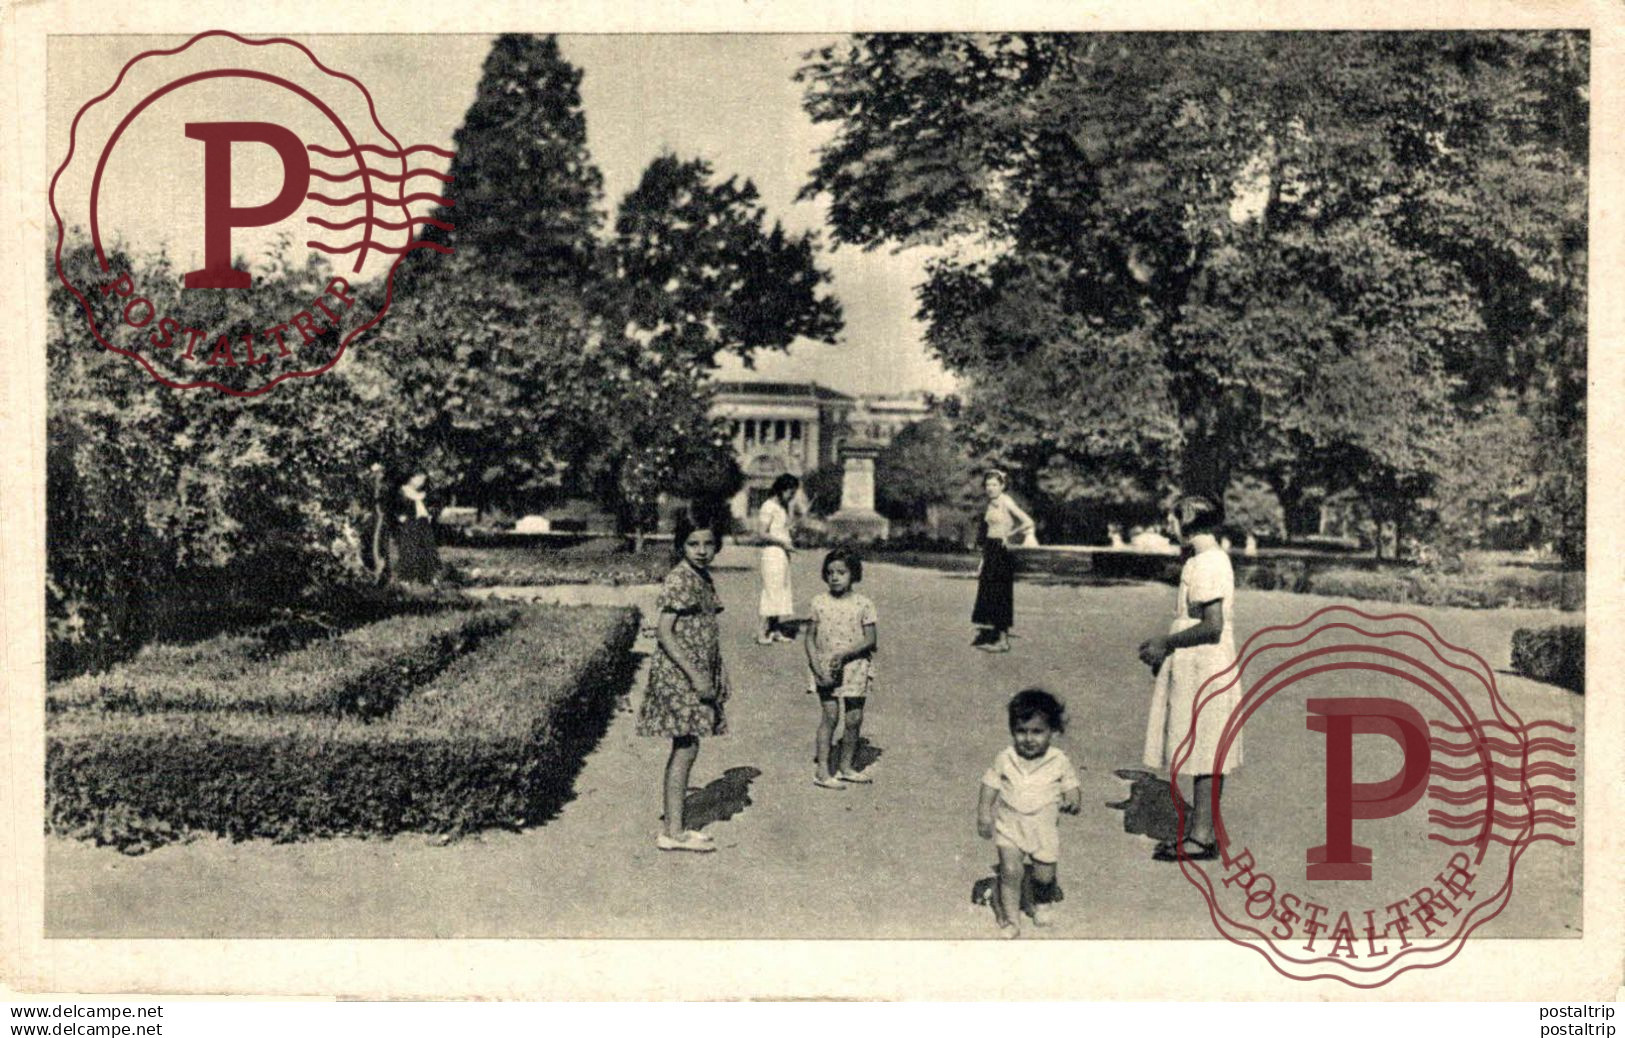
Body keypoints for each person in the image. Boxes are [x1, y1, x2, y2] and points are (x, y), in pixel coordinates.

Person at [1138, 499, 1239, 863]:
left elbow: (1211, 627)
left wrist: (1167, 642)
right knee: (1204, 746)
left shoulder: (1208, 562)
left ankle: (1202, 836)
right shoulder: (1202, 559)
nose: (1168, 522)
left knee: (1207, 747)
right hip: (1196, 661)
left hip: (1206, 663)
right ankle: (1202, 831)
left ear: (1190, 519)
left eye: (1173, 516)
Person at [638, 510, 731, 853]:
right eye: (693, 544)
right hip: (680, 674)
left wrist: (717, 672)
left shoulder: (702, 578)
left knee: (688, 745)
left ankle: (676, 826)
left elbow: (708, 632)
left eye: (709, 543)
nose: (702, 550)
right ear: (681, 545)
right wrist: (696, 676)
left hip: (696, 671)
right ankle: (672, 831)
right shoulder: (680, 579)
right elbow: (664, 631)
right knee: (685, 746)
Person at [977, 689, 1082, 938]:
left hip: (1043, 828)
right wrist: (984, 812)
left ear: (1052, 731)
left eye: (1037, 732)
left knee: (1044, 874)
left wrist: (1073, 798)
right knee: (1011, 872)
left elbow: (1071, 784)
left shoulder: (1058, 760)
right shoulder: (1006, 757)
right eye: (1021, 731)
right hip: (1010, 825)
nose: (1028, 738)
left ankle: (1042, 903)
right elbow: (990, 784)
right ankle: (1012, 920)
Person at [804, 547, 878, 789]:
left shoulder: (864, 604)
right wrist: (815, 666)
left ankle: (846, 766)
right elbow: (810, 638)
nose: (835, 577)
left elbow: (870, 639)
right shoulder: (818, 602)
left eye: (841, 572)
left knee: (854, 718)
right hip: (826, 668)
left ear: (853, 574)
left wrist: (847, 654)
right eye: (830, 572)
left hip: (855, 666)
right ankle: (823, 771)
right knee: (830, 716)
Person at [972, 470, 1034, 653]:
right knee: (989, 593)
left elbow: (1027, 522)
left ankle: (1003, 641)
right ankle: (995, 636)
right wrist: (982, 561)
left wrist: (1010, 535)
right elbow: (988, 532)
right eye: (988, 485)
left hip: (1002, 551)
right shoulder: (990, 504)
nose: (990, 488)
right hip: (990, 550)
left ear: (1002, 486)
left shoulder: (1006, 501)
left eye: (994, 485)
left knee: (1001, 594)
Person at [757, 474, 800, 645]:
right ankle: (761, 632)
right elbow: (761, 533)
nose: (792, 496)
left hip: (782, 555)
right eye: (790, 492)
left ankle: (774, 630)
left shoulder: (782, 508)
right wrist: (782, 541)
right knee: (771, 592)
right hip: (772, 554)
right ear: (781, 489)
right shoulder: (768, 506)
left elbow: (780, 530)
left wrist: (790, 532)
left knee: (780, 591)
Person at [394, 469, 441, 585]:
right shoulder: (403, 491)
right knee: (410, 549)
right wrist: (400, 516)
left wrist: (430, 514)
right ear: (411, 478)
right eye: (419, 479)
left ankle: (428, 577)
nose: (422, 482)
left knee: (427, 548)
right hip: (410, 523)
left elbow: (435, 504)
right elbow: (396, 506)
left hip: (423, 522)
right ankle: (406, 578)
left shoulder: (423, 493)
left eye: (423, 480)